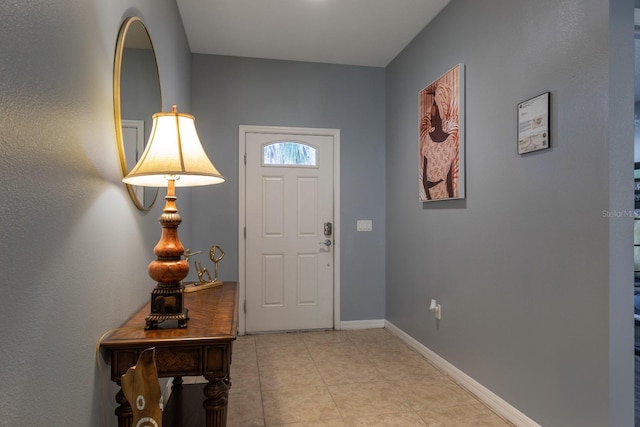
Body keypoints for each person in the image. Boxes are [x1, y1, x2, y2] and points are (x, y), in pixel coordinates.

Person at [419, 81, 459, 200]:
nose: (430, 113)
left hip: (442, 193)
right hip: (430, 195)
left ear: (440, 111)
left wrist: (451, 198)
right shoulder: (427, 139)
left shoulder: (449, 142)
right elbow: (424, 179)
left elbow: (449, 180)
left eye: (434, 109)